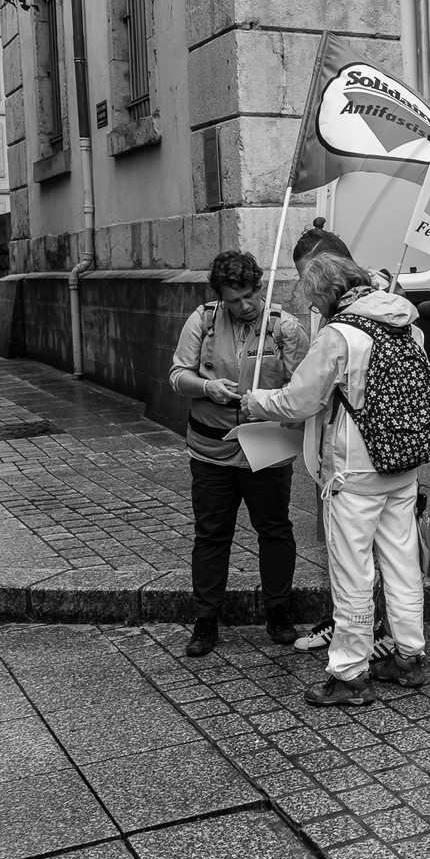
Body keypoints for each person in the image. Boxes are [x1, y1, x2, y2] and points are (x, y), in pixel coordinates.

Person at [242, 254, 430, 706]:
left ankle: (349, 674)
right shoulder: (408, 324)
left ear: (328, 294)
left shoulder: (340, 334)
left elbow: (299, 400)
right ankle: (409, 657)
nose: (314, 308)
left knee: (352, 574)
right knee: (402, 563)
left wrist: (256, 401)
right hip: (402, 462)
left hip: (355, 471)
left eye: (314, 299)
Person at [169, 251, 310, 657]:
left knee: (275, 529)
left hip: (266, 450)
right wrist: (206, 387)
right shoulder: (203, 320)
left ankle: (278, 611)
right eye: (234, 300)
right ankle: (205, 620)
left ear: (260, 287)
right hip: (211, 450)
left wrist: (272, 401)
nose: (245, 306)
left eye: (250, 296)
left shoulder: (285, 327)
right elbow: (178, 375)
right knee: (211, 535)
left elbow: (304, 389)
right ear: (221, 297)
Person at [287, 219, 399, 659]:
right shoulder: (331, 307)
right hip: (333, 448)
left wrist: (272, 402)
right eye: (303, 278)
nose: (309, 289)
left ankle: (365, 644)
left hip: (367, 450)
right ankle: (350, 625)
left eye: (312, 276)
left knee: (368, 553)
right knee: (340, 547)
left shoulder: (381, 300)